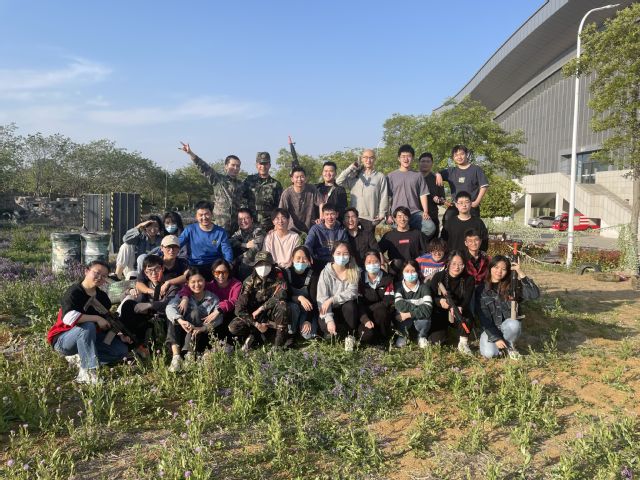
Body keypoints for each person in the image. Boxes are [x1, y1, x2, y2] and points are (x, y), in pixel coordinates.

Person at [47, 260, 131, 384]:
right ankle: (88, 371)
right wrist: (96, 318)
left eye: (104, 276)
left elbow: (106, 319)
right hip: (63, 340)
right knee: (88, 326)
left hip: (90, 337)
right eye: (97, 273)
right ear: (86, 271)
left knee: (120, 351)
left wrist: (119, 335)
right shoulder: (74, 292)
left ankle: (81, 357)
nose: (100, 277)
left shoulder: (102, 297)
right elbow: (68, 318)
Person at [120, 253, 184, 355]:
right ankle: (132, 343)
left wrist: (150, 305)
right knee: (128, 304)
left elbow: (169, 303)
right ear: (145, 273)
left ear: (163, 268)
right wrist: (130, 291)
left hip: (165, 319)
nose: (153, 273)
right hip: (148, 318)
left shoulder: (170, 285)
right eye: (149, 271)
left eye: (157, 269)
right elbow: (123, 294)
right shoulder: (145, 285)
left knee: (171, 315)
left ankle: (173, 351)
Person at [479, 256, 539, 359]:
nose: (499, 271)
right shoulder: (481, 290)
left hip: (508, 328)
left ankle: (510, 346)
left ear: (507, 271)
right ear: (490, 268)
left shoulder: (512, 286)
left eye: (503, 269)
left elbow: (534, 294)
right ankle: (501, 348)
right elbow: (484, 318)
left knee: (514, 324)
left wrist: (520, 272)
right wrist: (496, 338)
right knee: (489, 354)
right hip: (491, 329)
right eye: (496, 267)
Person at [179, 142, 245, 234]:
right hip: (218, 227)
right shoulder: (218, 180)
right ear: (226, 166)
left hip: (235, 229)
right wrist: (190, 153)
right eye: (233, 165)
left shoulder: (242, 185)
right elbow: (204, 168)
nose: (236, 168)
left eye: (238, 166)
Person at [177, 259, 241, 353]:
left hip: (229, 315)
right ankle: (191, 348)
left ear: (229, 272)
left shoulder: (236, 284)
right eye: (217, 272)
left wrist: (219, 310)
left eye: (224, 272)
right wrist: (185, 297)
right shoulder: (210, 285)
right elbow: (189, 287)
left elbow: (234, 300)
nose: (221, 275)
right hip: (212, 317)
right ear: (213, 273)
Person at [228, 251, 289, 350]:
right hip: (254, 317)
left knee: (282, 305)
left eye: (267, 264)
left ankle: (278, 346)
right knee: (233, 326)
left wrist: (261, 309)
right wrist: (257, 324)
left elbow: (281, 295)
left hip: (270, 315)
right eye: (260, 264)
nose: (263, 267)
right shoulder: (249, 281)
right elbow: (239, 309)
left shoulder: (278, 277)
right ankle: (256, 336)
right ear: (255, 266)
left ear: (272, 265)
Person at [165, 268, 220, 372]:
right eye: (193, 282)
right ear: (187, 283)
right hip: (182, 333)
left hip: (200, 335)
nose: (197, 285)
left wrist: (203, 328)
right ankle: (176, 357)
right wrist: (180, 321)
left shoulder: (213, 298)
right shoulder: (182, 296)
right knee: (173, 317)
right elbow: (169, 307)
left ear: (205, 281)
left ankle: (189, 354)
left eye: (200, 281)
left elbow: (219, 318)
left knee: (195, 313)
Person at [316, 242, 360, 351]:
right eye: (338, 253)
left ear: (349, 255)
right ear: (333, 254)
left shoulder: (354, 270)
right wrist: (329, 320)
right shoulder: (325, 273)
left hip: (345, 309)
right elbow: (322, 299)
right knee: (326, 328)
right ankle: (337, 333)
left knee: (351, 306)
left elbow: (352, 292)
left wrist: (332, 299)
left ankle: (349, 336)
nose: (342, 257)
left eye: (345, 254)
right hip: (328, 309)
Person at [429, 251, 475, 354]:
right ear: (448, 263)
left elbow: (467, 299)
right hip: (440, 312)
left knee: (467, 318)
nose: (457, 267)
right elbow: (430, 296)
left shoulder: (469, 279)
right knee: (437, 342)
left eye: (460, 264)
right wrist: (439, 301)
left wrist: (461, 307)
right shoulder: (438, 276)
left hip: (458, 311)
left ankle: (463, 342)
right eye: (454, 263)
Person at [386, 144, 436, 239]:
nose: (406, 159)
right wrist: (388, 215)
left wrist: (425, 211)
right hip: (398, 214)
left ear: (412, 158)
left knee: (430, 228)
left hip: (414, 213)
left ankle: (415, 240)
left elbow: (423, 194)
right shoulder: (390, 176)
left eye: (408, 156)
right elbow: (388, 198)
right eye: (403, 156)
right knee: (399, 237)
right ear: (399, 158)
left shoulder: (418, 175)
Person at [336, 148, 389, 231]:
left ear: (375, 159)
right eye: (365, 157)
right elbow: (338, 181)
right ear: (361, 159)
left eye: (371, 157)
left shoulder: (380, 176)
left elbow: (384, 197)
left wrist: (382, 214)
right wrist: (350, 168)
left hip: (371, 218)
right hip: (354, 218)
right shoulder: (354, 175)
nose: (368, 160)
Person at [179, 201, 233, 281]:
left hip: (214, 265)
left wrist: (228, 263)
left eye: (207, 214)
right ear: (196, 216)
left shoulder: (220, 232)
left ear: (212, 214)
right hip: (195, 265)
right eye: (201, 215)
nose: (204, 218)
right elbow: (177, 243)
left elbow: (227, 250)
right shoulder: (190, 229)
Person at [436, 144, 489, 223]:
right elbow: (434, 176)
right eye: (456, 155)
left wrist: (476, 202)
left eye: (461, 154)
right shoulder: (450, 171)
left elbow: (484, 186)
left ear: (466, 154)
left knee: (472, 226)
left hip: (471, 205)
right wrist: (438, 174)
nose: (459, 157)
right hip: (456, 205)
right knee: (447, 219)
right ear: (453, 158)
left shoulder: (476, 169)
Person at [379, 206, 429, 278]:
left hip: (413, 270)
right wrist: (388, 262)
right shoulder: (389, 236)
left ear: (409, 218)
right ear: (395, 219)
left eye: (405, 216)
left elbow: (426, 252)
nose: (402, 219)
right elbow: (378, 251)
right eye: (399, 217)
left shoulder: (417, 234)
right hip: (396, 270)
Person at [357, 251, 395, 346]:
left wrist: (369, 308)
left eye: (375, 261)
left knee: (381, 311)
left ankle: (383, 339)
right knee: (366, 336)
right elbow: (359, 303)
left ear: (380, 262)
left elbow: (388, 301)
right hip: (365, 314)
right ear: (364, 264)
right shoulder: (359, 279)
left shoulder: (388, 279)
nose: (372, 265)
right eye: (369, 262)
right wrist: (365, 319)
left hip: (381, 314)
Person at [393, 260, 433, 349]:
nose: (410, 274)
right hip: (404, 319)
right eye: (407, 271)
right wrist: (420, 308)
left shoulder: (424, 287)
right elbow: (399, 304)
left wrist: (409, 314)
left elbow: (428, 309)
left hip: (417, 318)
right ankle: (402, 335)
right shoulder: (398, 286)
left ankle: (422, 336)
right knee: (400, 314)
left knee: (425, 319)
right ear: (402, 272)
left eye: (413, 271)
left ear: (418, 272)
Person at [285, 246, 319, 341]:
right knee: (293, 307)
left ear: (308, 260)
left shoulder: (313, 275)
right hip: (292, 308)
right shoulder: (286, 273)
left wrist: (308, 320)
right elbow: (285, 296)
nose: (301, 261)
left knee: (309, 335)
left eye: (304, 258)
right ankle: (292, 331)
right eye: (298, 258)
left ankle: (303, 325)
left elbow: (313, 301)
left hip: (307, 309)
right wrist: (299, 298)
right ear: (292, 259)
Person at [243, 152, 284, 231]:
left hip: (268, 226)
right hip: (250, 225)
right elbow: (241, 199)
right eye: (260, 164)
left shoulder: (276, 184)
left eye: (265, 164)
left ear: (269, 165)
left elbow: (279, 207)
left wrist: (277, 224)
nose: (263, 167)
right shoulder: (249, 181)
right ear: (256, 165)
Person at [115, 215, 164, 279]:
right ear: (145, 227)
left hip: (153, 272)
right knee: (126, 246)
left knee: (142, 257)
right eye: (150, 226)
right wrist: (139, 226)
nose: (153, 229)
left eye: (156, 226)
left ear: (159, 228)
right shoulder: (140, 237)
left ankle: (141, 280)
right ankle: (117, 276)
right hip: (135, 269)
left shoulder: (162, 241)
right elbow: (126, 239)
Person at [304, 203, 348, 272]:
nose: (329, 217)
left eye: (332, 214)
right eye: (327, 214)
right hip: (318, 262)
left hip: (336, 263)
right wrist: (307, 254)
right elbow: (308, 244)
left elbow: (346, 248)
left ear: (337, 215)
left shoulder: (342, 231)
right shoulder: (315, 229)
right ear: (323, 216)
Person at [278, 166, 321, 234]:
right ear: (292, 179)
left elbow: (321, 203)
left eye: (302, 177)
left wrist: (321, 218)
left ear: (306, 178)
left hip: (310, 228)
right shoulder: (287, 193)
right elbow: (281, 211)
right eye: (297, 177)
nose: (299, 179)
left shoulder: (312, 189)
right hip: (292, 229)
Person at [230, 208, 265, 281]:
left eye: (246, 218)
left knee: (244, 264)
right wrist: (244, 245)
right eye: (240, 219)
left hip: (257, 260)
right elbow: (231, 240)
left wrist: (235, 260)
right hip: (244, 259)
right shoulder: (241, 231)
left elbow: (253, 251)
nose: (243, 221)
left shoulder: (258, 231)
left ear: (252, 219)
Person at [464, 228, 490, 315]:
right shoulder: (461, 257)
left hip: (482, 287)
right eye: (470, 241)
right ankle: (472, 317)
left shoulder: (486, 258)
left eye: (476, 240)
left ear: (480, 241)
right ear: (466, 243)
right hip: (466, 288)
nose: (474, 243)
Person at [419, 152, 446, 234]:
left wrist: (439, 200)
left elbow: (443, 199)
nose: (425, 163)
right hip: (416, 217)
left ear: (432, 163)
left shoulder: (437, 178)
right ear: (419, 163)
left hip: (432, 216)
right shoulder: (414, 177)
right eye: (423, 161)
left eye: (428, 161)